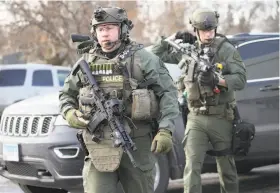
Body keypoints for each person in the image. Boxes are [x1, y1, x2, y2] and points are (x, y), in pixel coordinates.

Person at [59, 6, 179, 193]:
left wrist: (165, 130)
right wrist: (69, 113)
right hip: (99, 146)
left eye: (109, 28)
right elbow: (66, 95)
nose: (104, 34)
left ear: (122, 29)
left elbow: (168, 94)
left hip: (136, 144)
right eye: (100, 29)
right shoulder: (86, 61)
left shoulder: (143, 59)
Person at [151, 8, 247, 193]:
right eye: (204, 30)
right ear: (195, 30)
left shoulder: (225, 49)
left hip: (221, 116)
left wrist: (218, 80)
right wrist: (171, 37)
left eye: (211, 30)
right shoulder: (189, 50)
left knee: (226, 168)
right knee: (192, 166)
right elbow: (156, 55)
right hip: (196, 118)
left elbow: (241, 78)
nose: (208, 34)